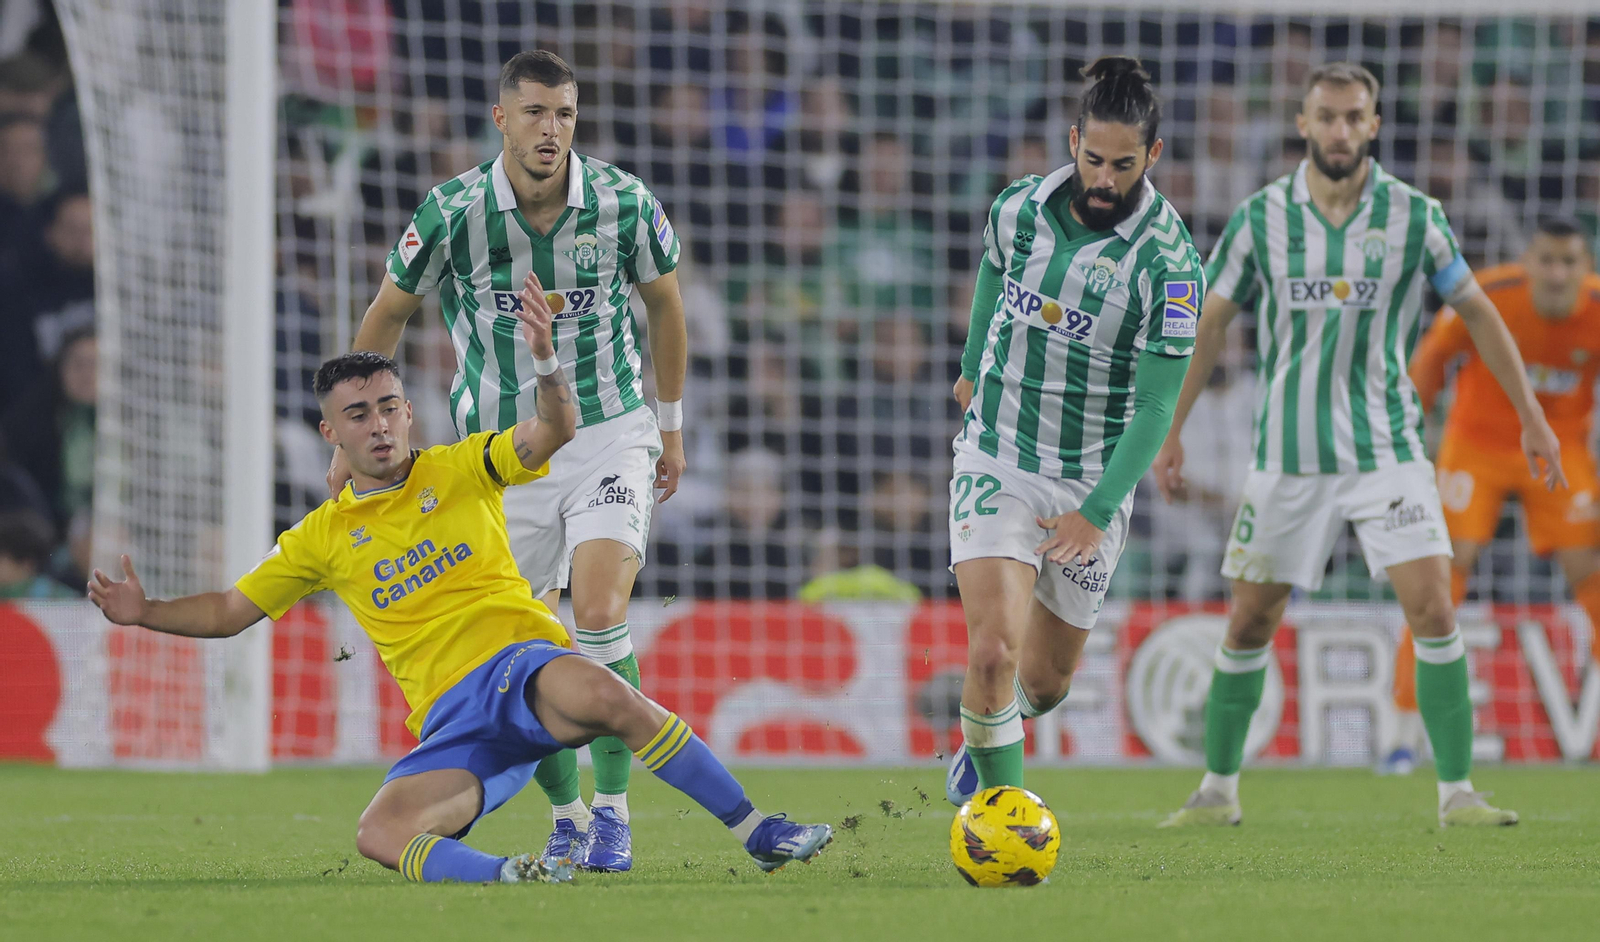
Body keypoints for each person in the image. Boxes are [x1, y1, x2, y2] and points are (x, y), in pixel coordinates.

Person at [88, 293, 830, 884]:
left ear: (409, 411)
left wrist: (543, 362)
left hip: (522, 664)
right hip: (453, 720)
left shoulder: (462, 465)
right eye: (358, 415)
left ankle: (757, 830)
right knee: (378, 834)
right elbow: (227, 612)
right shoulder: (320, 537)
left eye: (388, 406)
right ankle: (512, 874)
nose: (378, 425)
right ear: (331, 436)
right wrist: (144, 612)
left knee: (609, 696)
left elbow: (554, 431)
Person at [1153, 63, 1562, 829]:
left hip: (1387, 450)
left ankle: (1458, 794)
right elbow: (1210, 323)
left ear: (1373, 126)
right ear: (1303, 124)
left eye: (1353, 117)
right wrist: (1171, 429)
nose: (1340, 130)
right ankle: (1216, 791)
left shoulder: (1415, 216)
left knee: (1435, 607)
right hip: (1288, 458)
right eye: (1327, 117)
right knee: (1248, 622)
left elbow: (1476, 311)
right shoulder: (1260, 218)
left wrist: (1532, 414)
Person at [339, 50, 690, 872]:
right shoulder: (452, 212)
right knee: (514, 653)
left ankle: (613, 812)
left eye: (564, 114)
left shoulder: (624, 203)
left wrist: (669, 428)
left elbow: (666, 306)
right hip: (501, 457)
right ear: (502, 119)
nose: (551, 129)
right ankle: (566, 812)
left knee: (598, 608)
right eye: (534, 112)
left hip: (609, 428)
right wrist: (358, 430)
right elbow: (386, 315)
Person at [943, 57, 1201, 802]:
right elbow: (993, 271)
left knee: (1046, 683)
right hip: (997, 452)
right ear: (1073, 139)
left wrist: (1094, 513)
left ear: (1151, 156)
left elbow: (1156, 408)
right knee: (992, 652)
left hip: (1092, 477)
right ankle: (1002, 818)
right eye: (1092, 158)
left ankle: (989, 740)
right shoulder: (1018, 208)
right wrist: (969, 363)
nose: (1104, 178)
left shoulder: (1170, 265)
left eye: (1123, 164)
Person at [1383, 218, 1600, 773]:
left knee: (1591, 571)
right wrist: (1400, 439)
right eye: (1546, 260)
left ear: (1585, 267)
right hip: (1476, 444)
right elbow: (1432, 359)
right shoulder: (1491, 295)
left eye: (1569, 262)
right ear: (1526, 262)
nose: (1556, 274)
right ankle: (1403, 738)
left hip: (1559, 448)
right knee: (1442, 573)